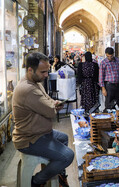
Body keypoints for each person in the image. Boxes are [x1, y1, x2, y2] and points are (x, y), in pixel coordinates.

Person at [12, 52, 74, 187]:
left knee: (63, 138)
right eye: (43, 72)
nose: (46, 75)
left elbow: (47, 100)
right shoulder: (27, 89)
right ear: (30, 70)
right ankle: (36, 181)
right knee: (68, 156)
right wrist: (53, 106)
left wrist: (54, 103)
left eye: (47, 71)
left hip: (40, 133)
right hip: (30, 139)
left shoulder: (35, 82)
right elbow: (50, 111)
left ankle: (59, 174)